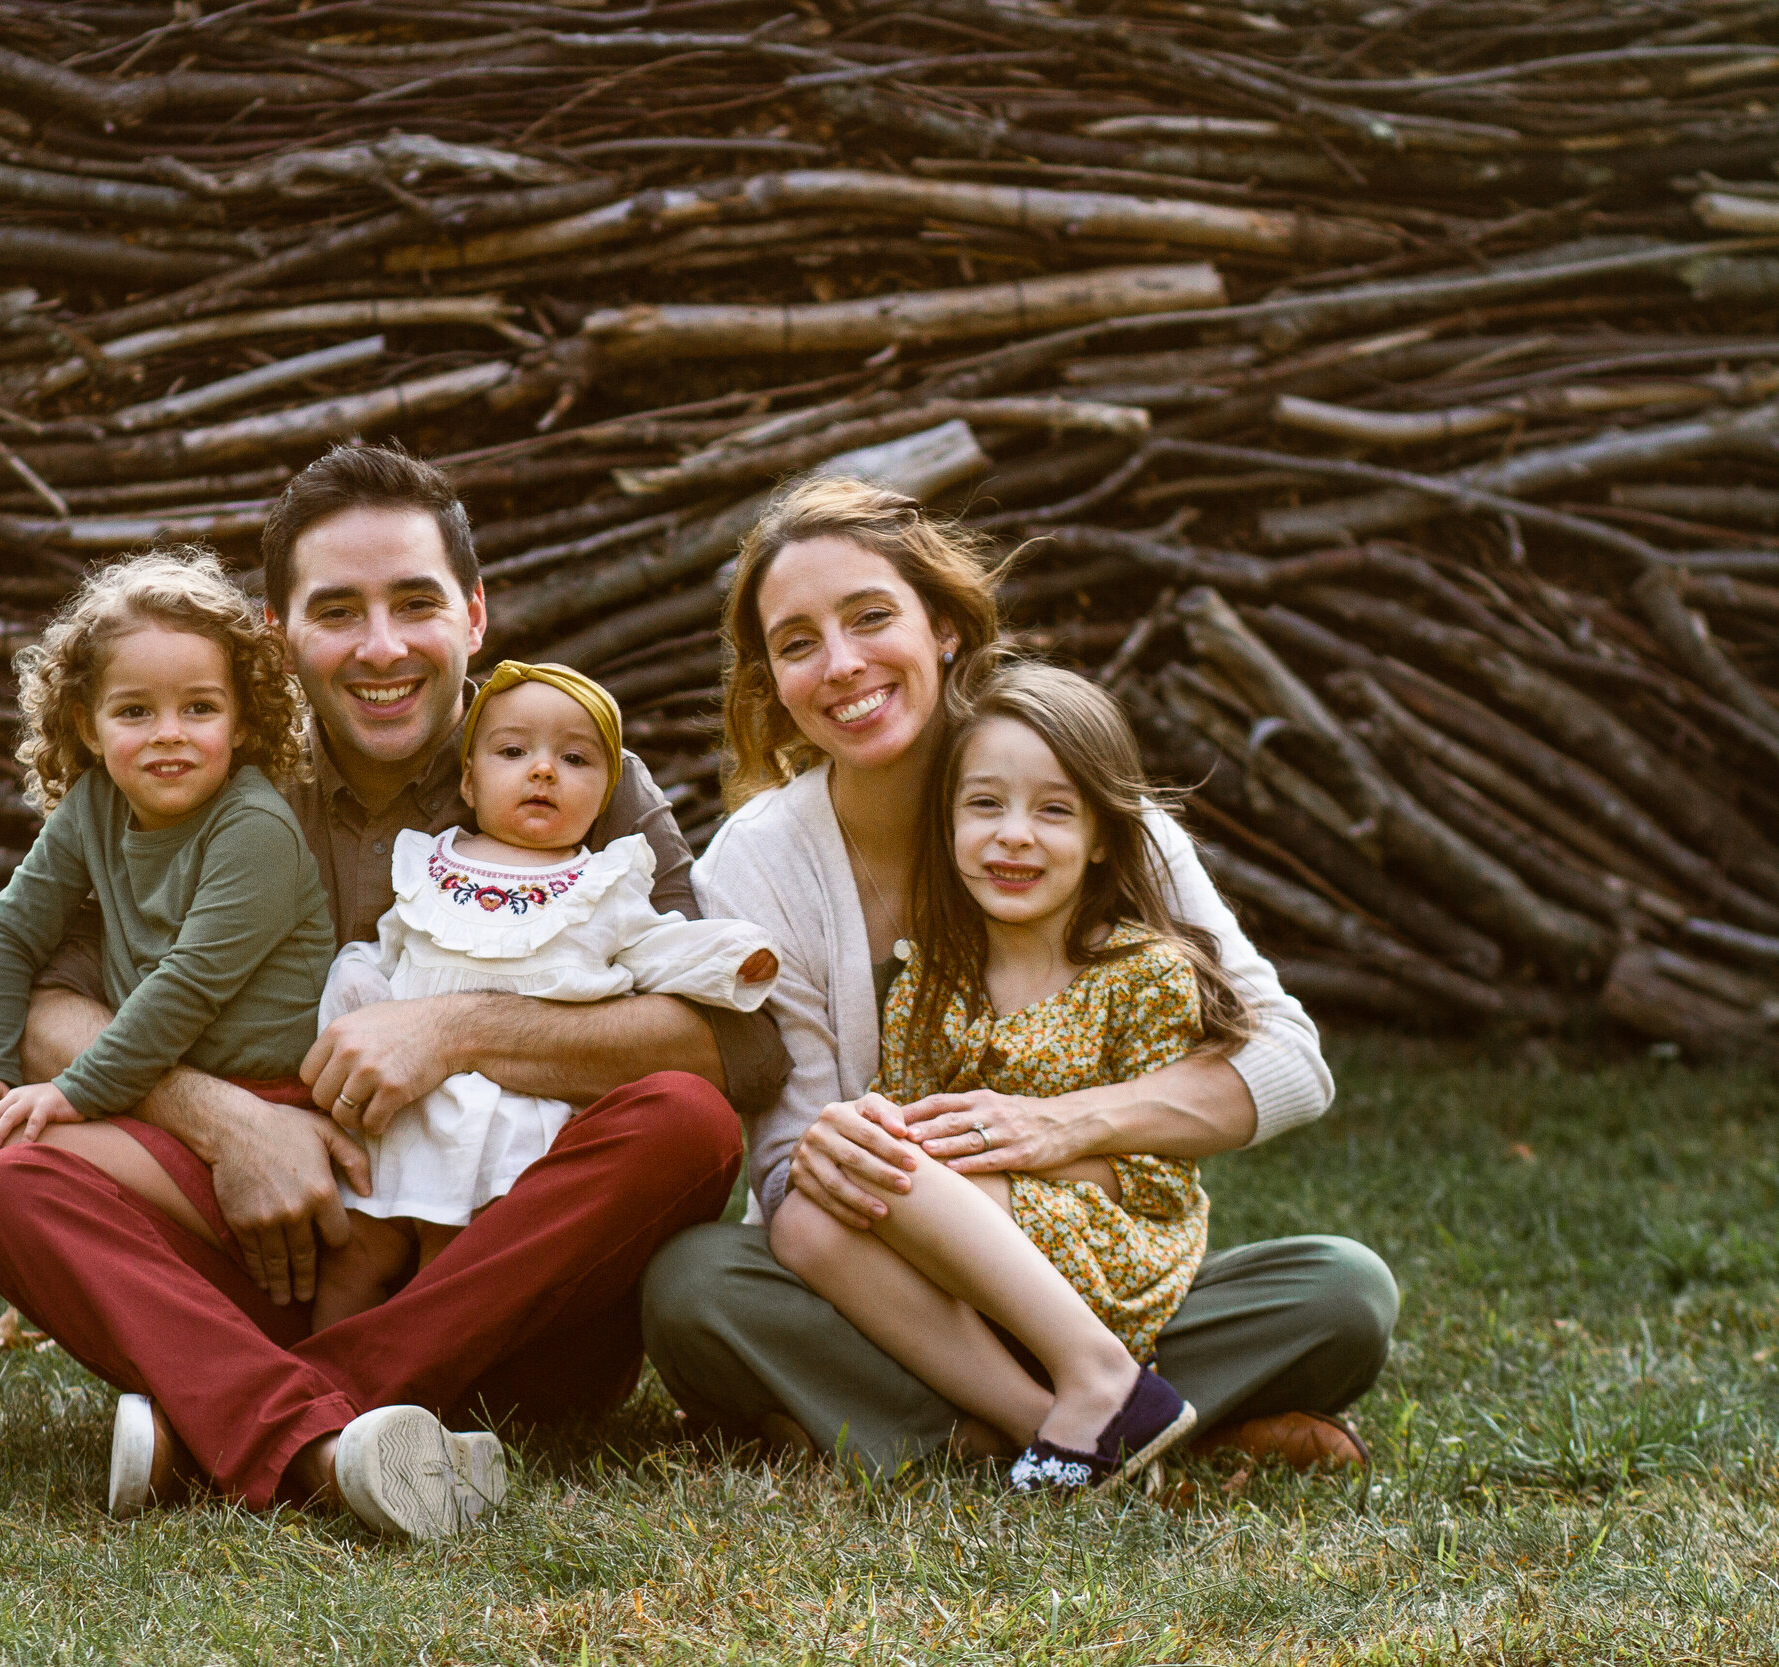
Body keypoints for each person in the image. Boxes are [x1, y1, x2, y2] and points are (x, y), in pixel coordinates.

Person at [0, 444, 786, 1532]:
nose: (381, 645)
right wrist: (227, 1122)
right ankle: (337, 1442)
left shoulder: (563, 761)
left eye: (415, 602)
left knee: (683, 1121)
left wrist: (453, 1029)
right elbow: (49, 1008)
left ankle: (263, 1417)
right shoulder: (215, 776)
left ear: (475, 614)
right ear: (276, 633)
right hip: (285, 1245)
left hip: (511, 1280)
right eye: (337, 609)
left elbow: (738, 1050)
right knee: (12, 1192)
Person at [0, 550, 502, 1538]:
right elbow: (9, 934)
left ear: (245, 720)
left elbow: (181, 993)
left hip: (271, 1121)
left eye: (198, 708)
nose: (168, 734)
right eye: (134, 711)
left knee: (11, 1160)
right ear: (85, 726)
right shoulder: (94, 808)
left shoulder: (256, 829)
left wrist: (71, 1093)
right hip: (160, 1105)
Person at [642, 475, 1399, 1480]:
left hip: (1087, 1261)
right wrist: (862, 1152)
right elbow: (794, 1175)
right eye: (796, 642)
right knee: (694, 1286)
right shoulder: (759, 859)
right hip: (894, 1286)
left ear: (946, 626)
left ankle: (955, 1434)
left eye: (871, 617)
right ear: (771, 681)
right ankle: (1092, 1424)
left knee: (1342, 1291)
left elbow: (1289, 1062)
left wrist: (1063, 1126)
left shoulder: (1081, 806)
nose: (842, 663)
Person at [770, 661, 1252, 1491]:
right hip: (962, 1247)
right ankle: (1050, 1423)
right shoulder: (931, 980)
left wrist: (987, 1160)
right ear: (949, 823)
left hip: (1116, 1244)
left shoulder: (1145, 974)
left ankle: (1101, 1372)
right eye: (985, 804)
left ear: (1103, 834)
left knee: (1340, 1289)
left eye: (1054, 810)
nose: (1014, 835)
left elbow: (1157, 1177)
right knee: (803, 1221)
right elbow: (908, 1143)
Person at [312, 662, 778, 1328]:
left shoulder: (603, 886)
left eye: (575, 758)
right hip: (403, 1115)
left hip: (504, 1129)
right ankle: (319, 1377)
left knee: (454, 1266)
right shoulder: (429, 864)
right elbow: (382, 951)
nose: (542, 770)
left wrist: (734, 960)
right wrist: (353, 999)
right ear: (469, 782)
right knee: (354, 1256)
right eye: (513, 751)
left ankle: (402, 1394)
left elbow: (661, 949)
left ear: (605, 795)